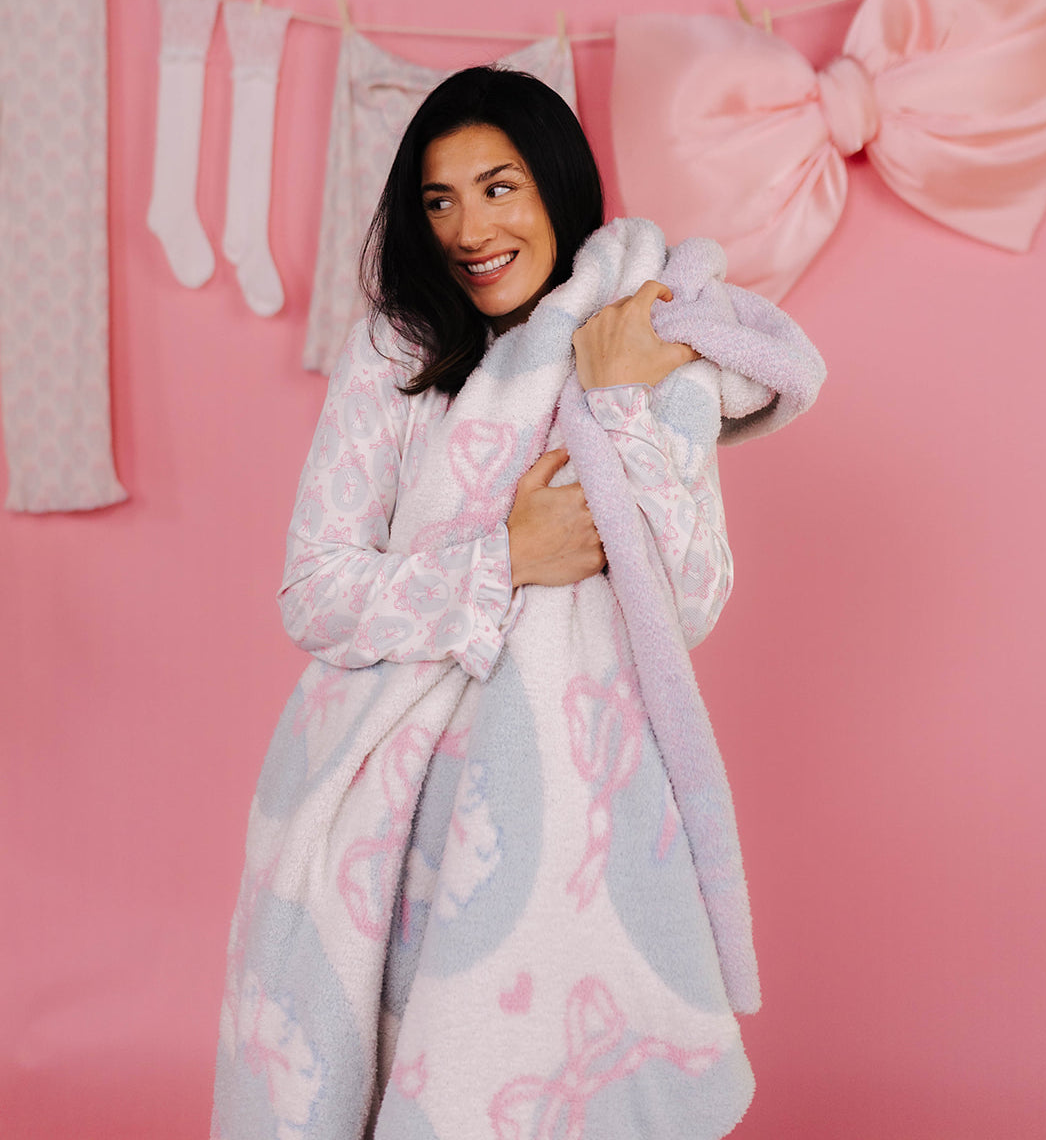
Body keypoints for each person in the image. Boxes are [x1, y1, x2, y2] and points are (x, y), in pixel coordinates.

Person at [212, 67, 785, 1140]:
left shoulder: (641, 344)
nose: (468, 227)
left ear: (557, 189)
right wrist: (500, 556)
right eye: (437, 199)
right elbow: (316, 588)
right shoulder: (395, 349)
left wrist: (615, 393)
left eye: (497, 186)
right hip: (391, 803)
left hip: (568, 808)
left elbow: (691, 593)